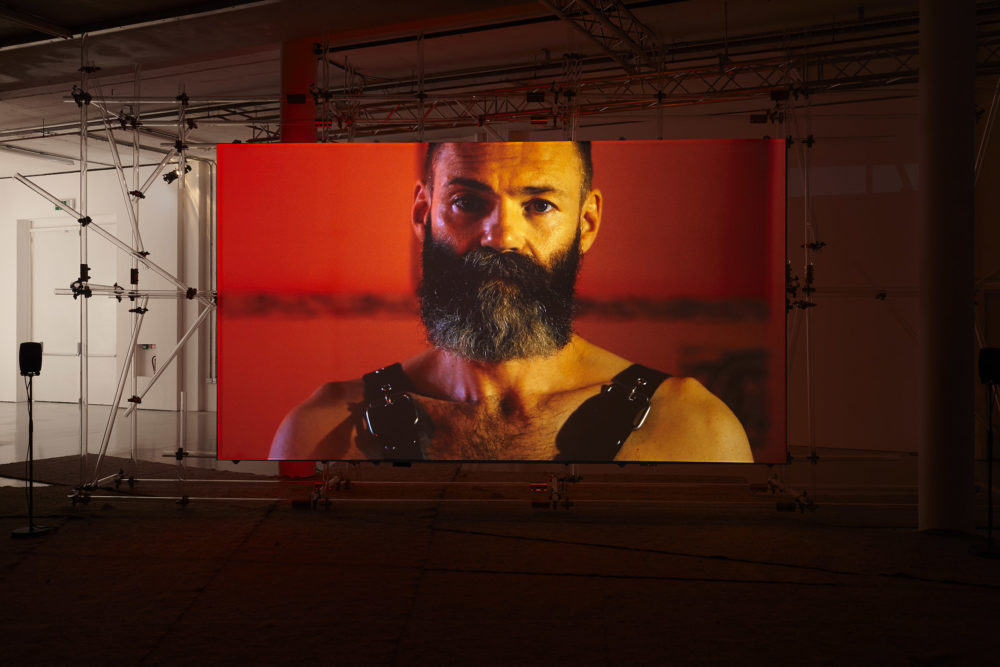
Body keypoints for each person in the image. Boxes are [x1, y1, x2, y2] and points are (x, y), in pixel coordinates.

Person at [269, 141, 752, 462]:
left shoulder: (693, 430)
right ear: (422, 214)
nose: (501, 237)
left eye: (539, 205)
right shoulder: (321, 432)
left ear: (586, 223)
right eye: (467, 202)